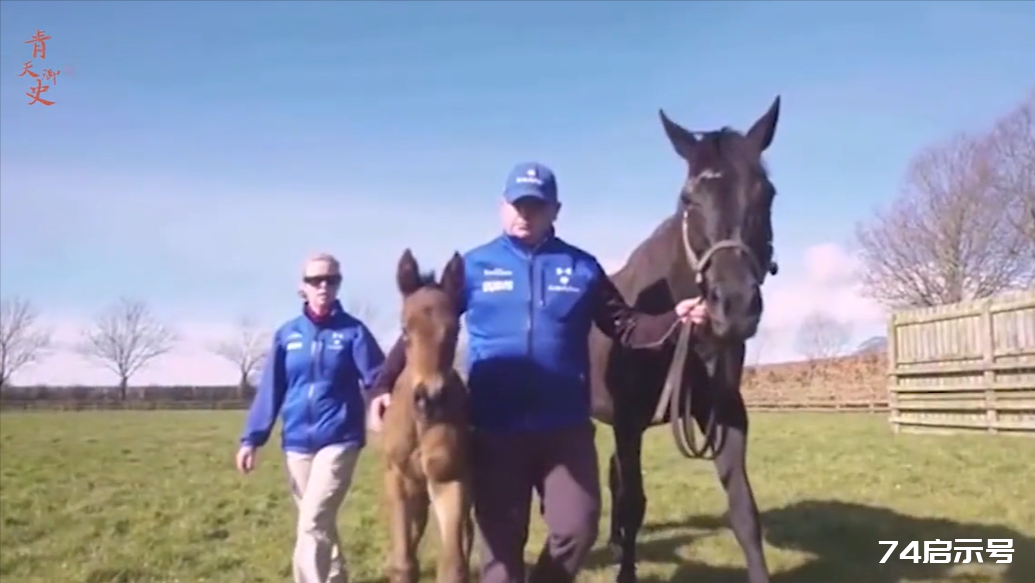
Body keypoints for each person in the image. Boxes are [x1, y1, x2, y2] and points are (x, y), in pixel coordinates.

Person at [365, 162, 710, 583]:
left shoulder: (581, 267)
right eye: (517, 204)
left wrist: (674, 318)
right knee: (500, 551)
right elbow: (427, 329)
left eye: (536, 205)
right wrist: (384, 382)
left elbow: (626, 326)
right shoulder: (473, 268)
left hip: (563, 427)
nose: (524, 214)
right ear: (502, 207)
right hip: (496, 428)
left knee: (577, 529)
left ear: (555, 210)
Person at [235, 252, 387, 583]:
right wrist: (251, 439)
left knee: (312, 522)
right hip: (297, 443)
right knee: (318, 521)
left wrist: (383, 398)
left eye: (331, 280)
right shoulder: (287, 335)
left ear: (338, 285)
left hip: (339, 438)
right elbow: (271, 390)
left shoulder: (353, 332)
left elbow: (378, 377)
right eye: (315, 280)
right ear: (301, 287)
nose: (323, 286)